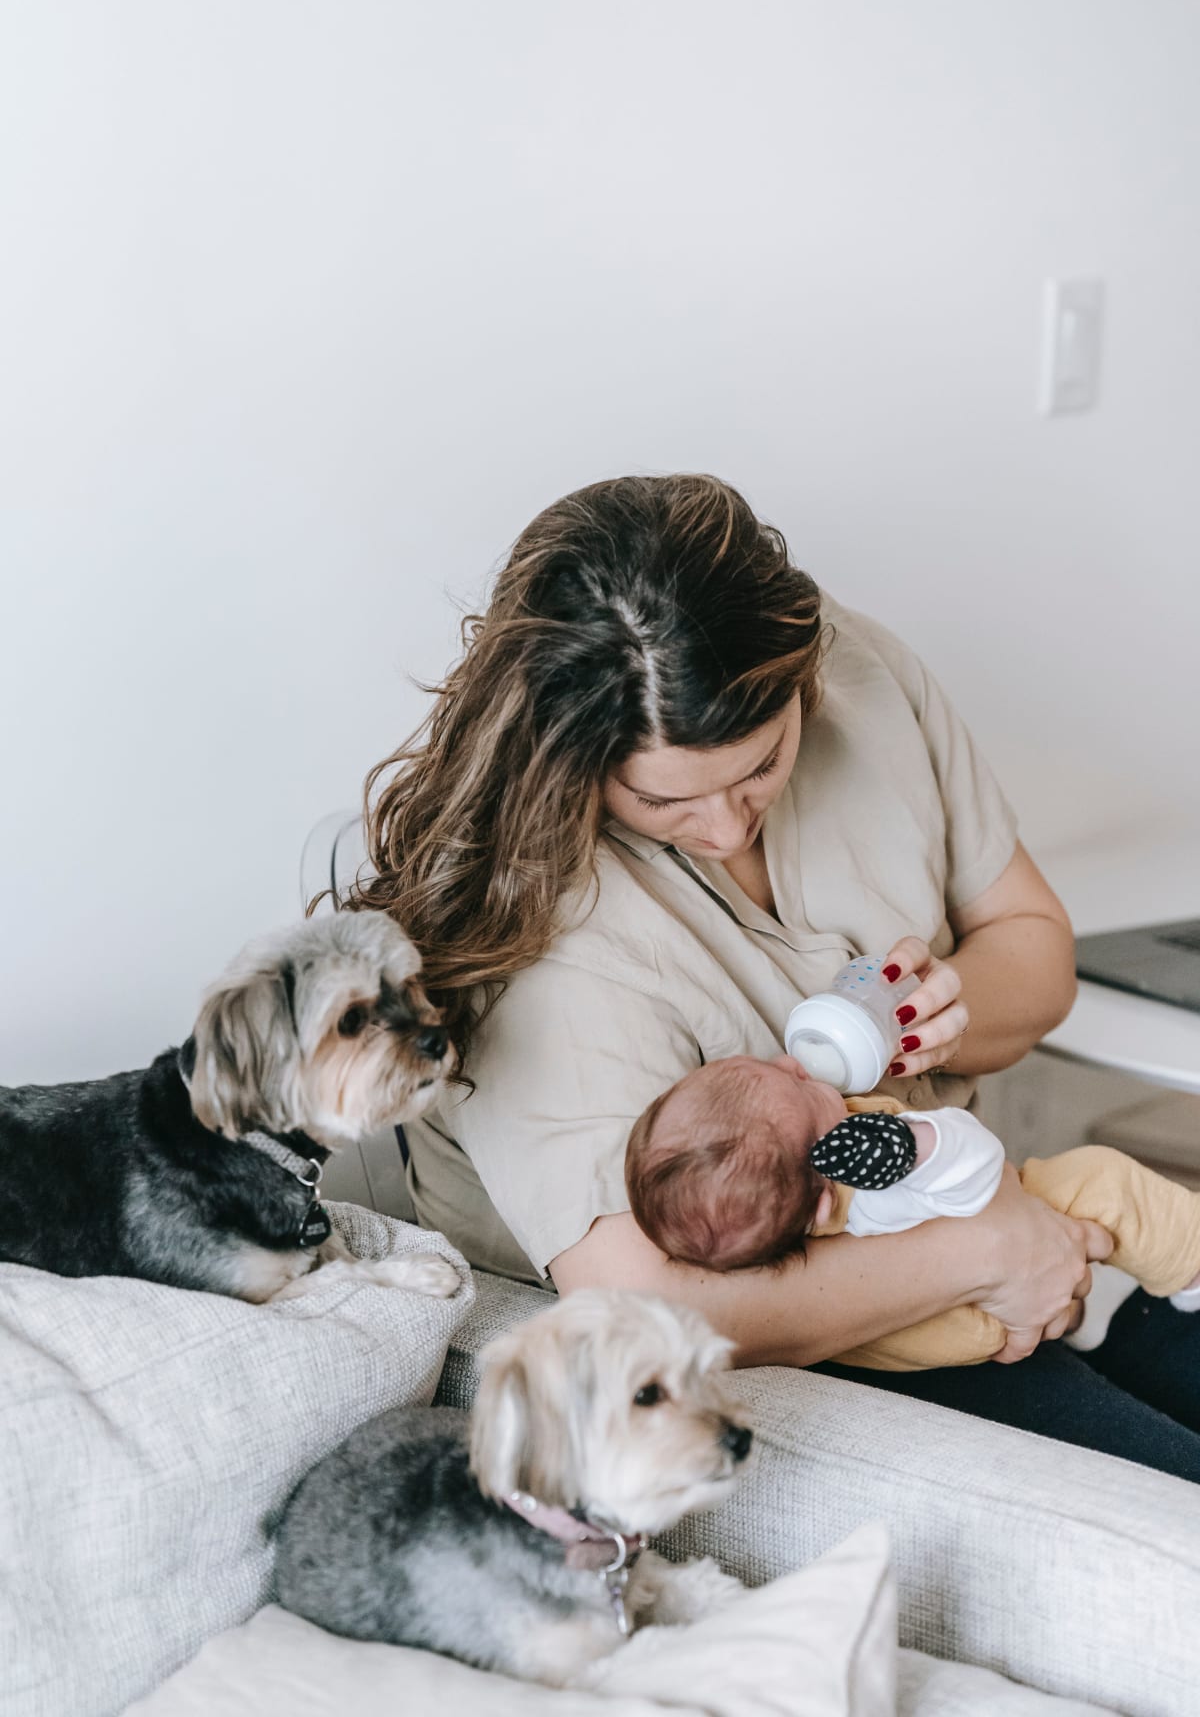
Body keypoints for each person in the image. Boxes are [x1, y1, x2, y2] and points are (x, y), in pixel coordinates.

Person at [351, 472, 1200, 1479]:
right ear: (570, 757)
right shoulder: (526, 925)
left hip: (974, 1207)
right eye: (666, 800)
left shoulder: (861, 675)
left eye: (760, 766)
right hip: (788, 1346)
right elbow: (644, 1302)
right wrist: (995, 1251)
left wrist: (936, 1024)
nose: (727, 825)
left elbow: (1033, 948)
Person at [624, 1052, 1200, 1368]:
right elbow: (978, 1171)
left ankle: (1091, 1320)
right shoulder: (870, 1183)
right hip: (974, 1304)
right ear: (825, 1201)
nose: (793, 1064)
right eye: (799, 1090)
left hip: (936, 1333)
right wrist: (916, 1145)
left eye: (776, 1069)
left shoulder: (788, 1218)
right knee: (1098, 1177)